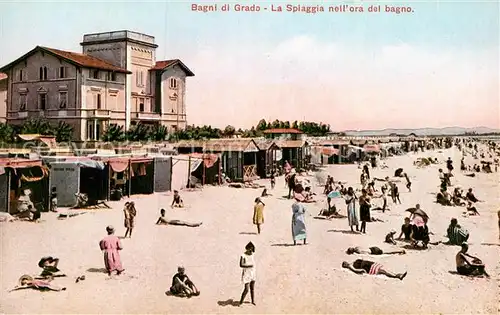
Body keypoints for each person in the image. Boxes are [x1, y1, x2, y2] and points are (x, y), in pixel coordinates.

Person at [342, 260, 407, 280]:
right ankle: (398, 275)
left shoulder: (352, 262)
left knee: (384, 270)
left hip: (369, 264)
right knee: (384, 271)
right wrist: (362, 270)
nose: (346, 263)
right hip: (368, 267)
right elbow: (355, 270)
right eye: (345, 263)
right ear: (345, 265)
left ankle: (397, 275)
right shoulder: (350, 266)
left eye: (345, 262)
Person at [239, 242, 256, 306]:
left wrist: (252, 267)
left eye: (252, 249)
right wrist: (249, 266)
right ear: (247, 248)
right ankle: (241, 302)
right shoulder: (243, 255)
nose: (251, 250)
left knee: (252, 288)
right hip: (246, 273)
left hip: (253, 273)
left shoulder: (252, 254)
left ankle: (253, 301)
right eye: (250, 249)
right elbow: (241, 264)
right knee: (246, 289)